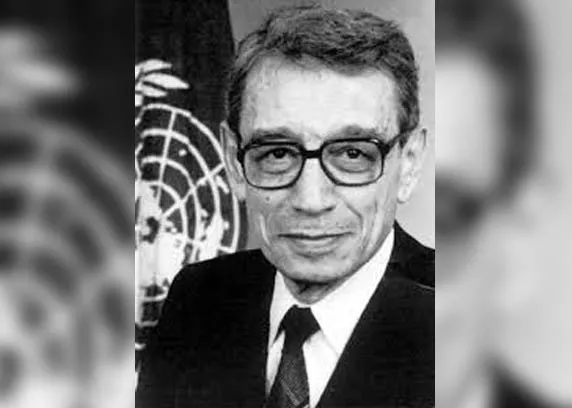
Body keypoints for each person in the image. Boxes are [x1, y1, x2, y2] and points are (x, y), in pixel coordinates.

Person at [136, 6, 434, 408]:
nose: (311, 200)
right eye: (277, 153)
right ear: (233, 161)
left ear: (409, 163)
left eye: (352, 154)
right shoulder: (197, 300)